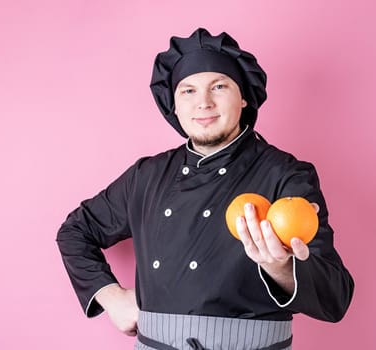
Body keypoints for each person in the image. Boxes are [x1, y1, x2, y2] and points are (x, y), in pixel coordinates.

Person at [56, 28, 354, 350]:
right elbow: (75, 230)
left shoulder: (286, 175)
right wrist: (111, 296)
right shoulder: (147, 175)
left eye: (219, 86)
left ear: (243, 97)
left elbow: (335, 297)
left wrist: (280, 266)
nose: (203, 103)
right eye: (188, 91)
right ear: (174, 104)